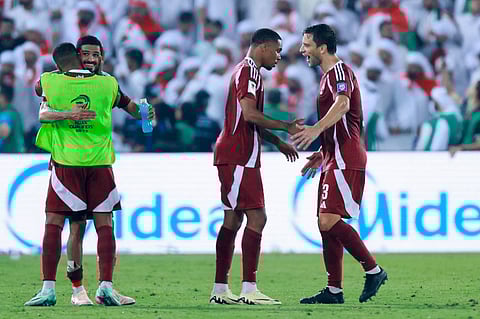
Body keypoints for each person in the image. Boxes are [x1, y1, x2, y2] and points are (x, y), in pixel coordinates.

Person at [34, 35, 152, 306]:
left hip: (91, 165)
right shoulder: (107, 84)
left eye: (95, 55)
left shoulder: (59, 81)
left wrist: (149, 117)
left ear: (102, 57)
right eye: (85, 55)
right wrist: (148, 120)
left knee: (91, 225)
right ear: (77, 56)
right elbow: (133, 108)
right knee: (78, 227)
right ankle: (76, 289)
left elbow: (40, 99)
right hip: (75, 165)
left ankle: (94, 289)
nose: (90, 59)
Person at [292, 24, 388, 304]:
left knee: (329, 219)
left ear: (322, 48)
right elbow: (345, 122)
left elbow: (344, 106)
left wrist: (315, 130)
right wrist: (322, 151)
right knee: (324, 224)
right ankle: (334, 290)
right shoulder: (326, 78)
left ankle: (373, 270)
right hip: (334, 157)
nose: (302, 50)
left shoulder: (340, 72)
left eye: (307, 45)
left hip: (346, 157)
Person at [211, 28, 302, 305]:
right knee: (257, 218)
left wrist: (278, 141)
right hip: (239, 156)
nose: (278, 56)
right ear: (261, 46)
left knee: (233, 219)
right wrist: (285, 126)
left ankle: (220, 290)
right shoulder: (249, 72)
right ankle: (249, 290)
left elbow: (248, 119)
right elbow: (250, 114)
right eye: (276, 50)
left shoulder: (247, 72)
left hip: (236, 154)